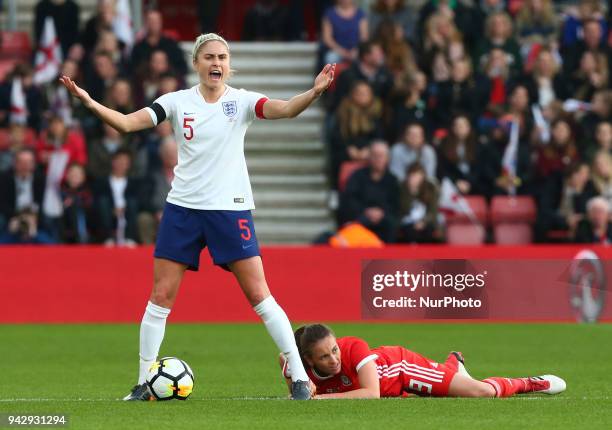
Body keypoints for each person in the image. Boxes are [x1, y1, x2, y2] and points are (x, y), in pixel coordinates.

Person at [60, 32, 335, 401]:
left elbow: (285, 109)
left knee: (259, 294)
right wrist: (90, 102)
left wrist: (314, 92)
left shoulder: (242, 102)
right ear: (196, 63)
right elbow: (127, 124)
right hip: (183, 209)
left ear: (229, 64)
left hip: (229, 208)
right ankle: (144, 382)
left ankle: (300, 378)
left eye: (222, 57)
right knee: (160, 296)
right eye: (208, 57)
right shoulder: (175, 102)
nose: (216, 63)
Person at [279, 324, 566, 399]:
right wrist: (298, 386)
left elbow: (370, 394)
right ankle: (453, 365)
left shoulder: (354, 347)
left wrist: (315, 400)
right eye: (324, 356)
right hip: (396, 390)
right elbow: (285, 361)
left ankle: (531, 383)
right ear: (307, 360)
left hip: (402, 368)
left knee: (481, 392)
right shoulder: (296, 366)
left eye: (334, 350)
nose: (334, 359)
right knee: (453, 386)